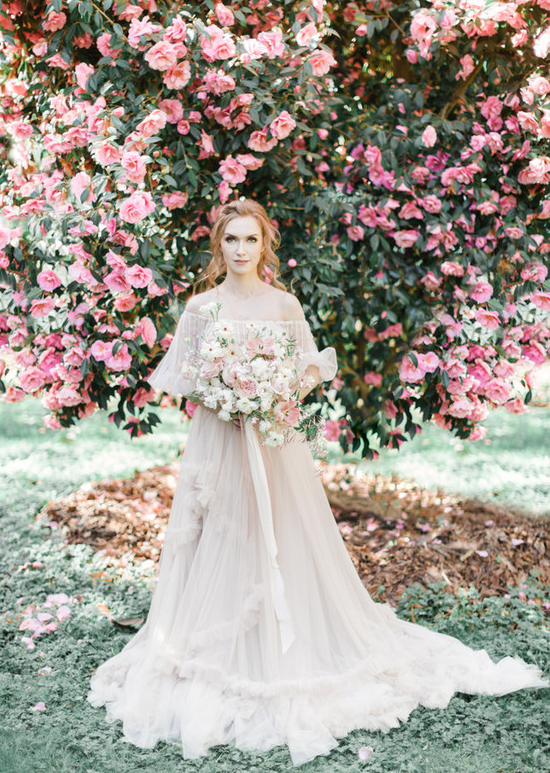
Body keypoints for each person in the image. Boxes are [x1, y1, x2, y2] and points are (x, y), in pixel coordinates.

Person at [88, 199, 548, 767]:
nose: (240, 250)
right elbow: (183, 376)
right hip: (220, 437)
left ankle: (288, 641)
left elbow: (310, 367)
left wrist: (273, 394)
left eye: (250, 240)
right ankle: (215, 643)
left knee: (282, 530)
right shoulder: (201, 307)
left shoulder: (283, 303)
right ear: (218, 245)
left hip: (277, 439)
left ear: (264, 245)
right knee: (223, 530)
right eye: (230, 240)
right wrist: (227, 397)